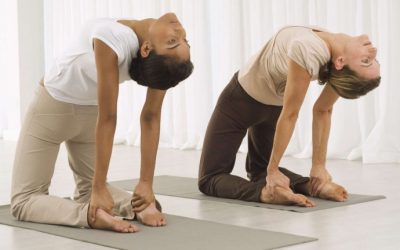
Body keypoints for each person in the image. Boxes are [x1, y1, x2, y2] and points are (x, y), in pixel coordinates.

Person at [11, 12, 193, 232]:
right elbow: (149, 116)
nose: (180, 32)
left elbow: (111, 118)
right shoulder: (153, 59)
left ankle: (91, 214)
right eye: (182, 40)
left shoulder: (114, 39)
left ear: (147, 49)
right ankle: (136, 207)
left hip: (53, 110)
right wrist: (142, 184)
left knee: (24, 200)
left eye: (175, 41)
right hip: (91, 114)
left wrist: (142, 184)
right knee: (89, 190)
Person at [198, 25, 380, 207]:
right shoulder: (335, 56)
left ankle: (266, 194)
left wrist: (274, 169)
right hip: (273, 109)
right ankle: (311, 186)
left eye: (366, 61)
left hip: (241, 102)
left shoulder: (309, 48)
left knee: (210, 178)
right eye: (373, 60)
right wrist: (318, 167)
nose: (373, 51)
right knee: (260, 171)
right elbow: (322, 110)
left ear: (340, 62)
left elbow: (292, 114)